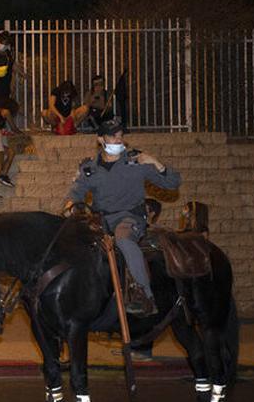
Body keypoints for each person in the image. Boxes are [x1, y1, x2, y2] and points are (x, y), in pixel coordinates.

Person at [64, 117, 181, 315]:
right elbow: (77, 193)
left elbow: (172, 183)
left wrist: (155, 162)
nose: (118, 140)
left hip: (130, 218)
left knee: (124, 240)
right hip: (100, 220)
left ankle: (144, 295)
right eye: (113, 136)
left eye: (120, 136)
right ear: (101, 139)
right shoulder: (89, 169)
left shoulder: (136, 161)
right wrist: (69, 205)